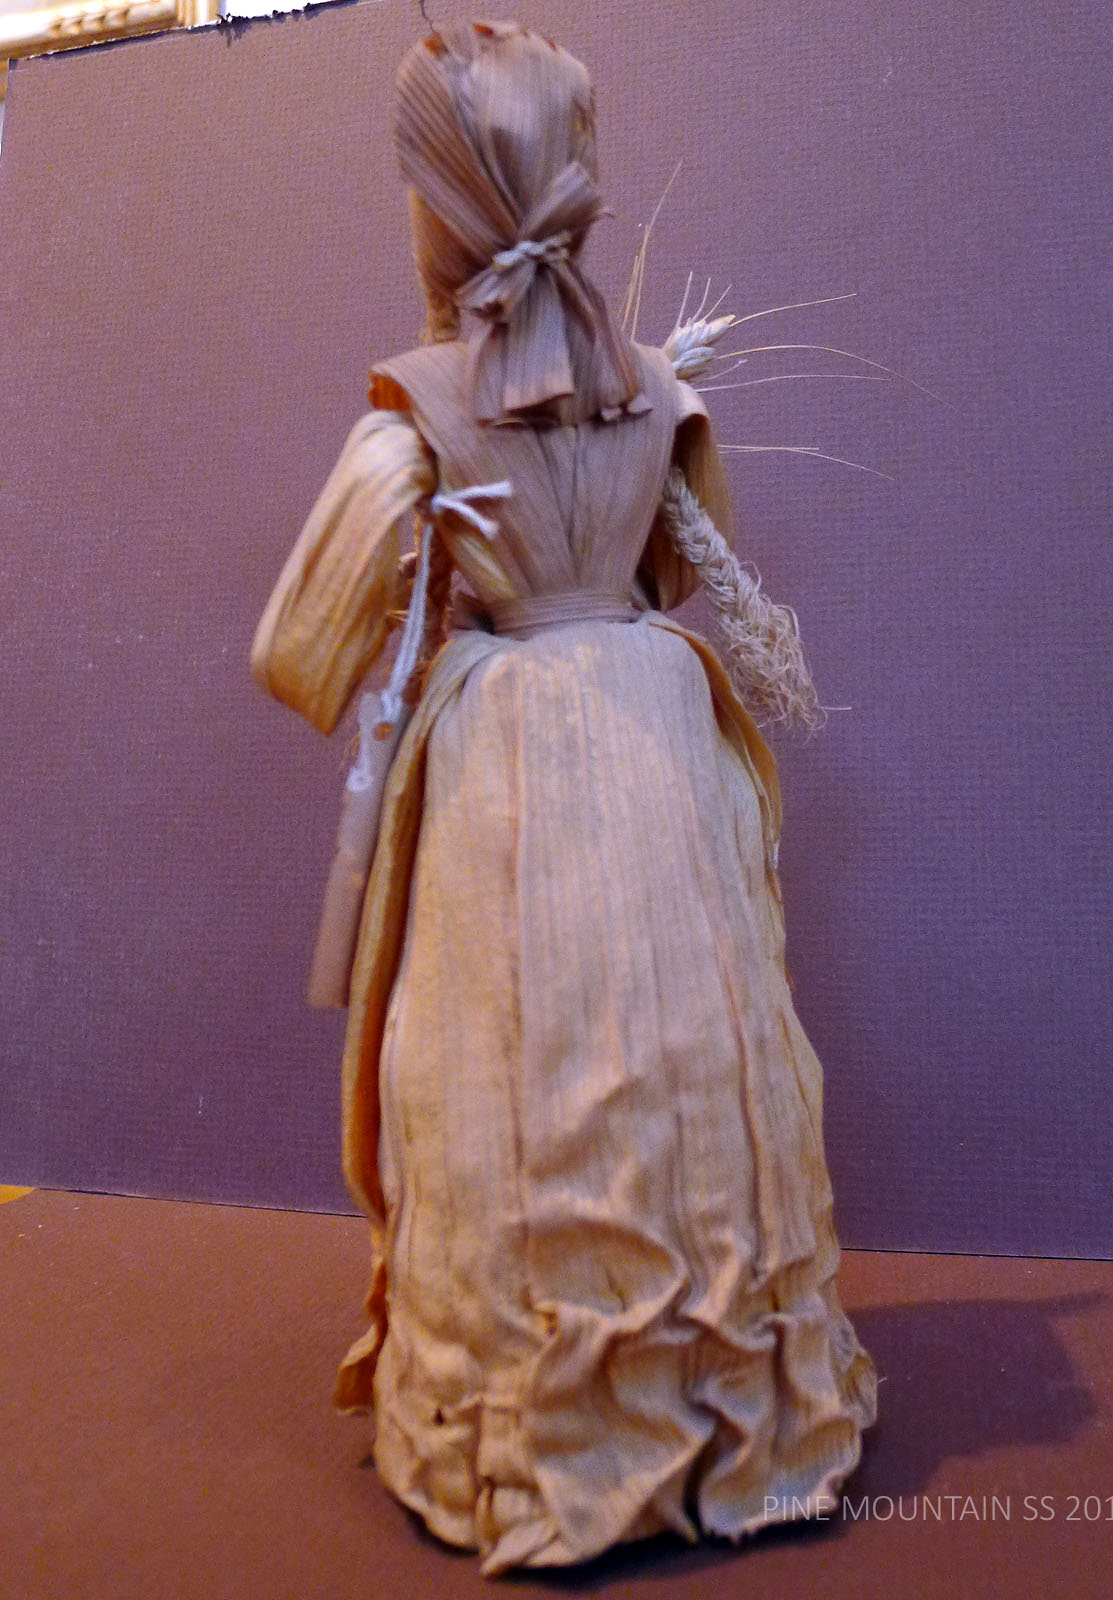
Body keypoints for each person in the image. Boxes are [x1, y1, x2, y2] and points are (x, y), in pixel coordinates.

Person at [252, 21, 875, 1576]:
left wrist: (449, 589)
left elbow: (299, 650)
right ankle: (733, 1414)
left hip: (510, 766)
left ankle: (547, 1442)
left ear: (440, 208)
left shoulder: (415, 413)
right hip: (663, 737)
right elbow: (690, 561)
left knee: (514, 1075)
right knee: (694, 1054)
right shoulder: (658, 390)